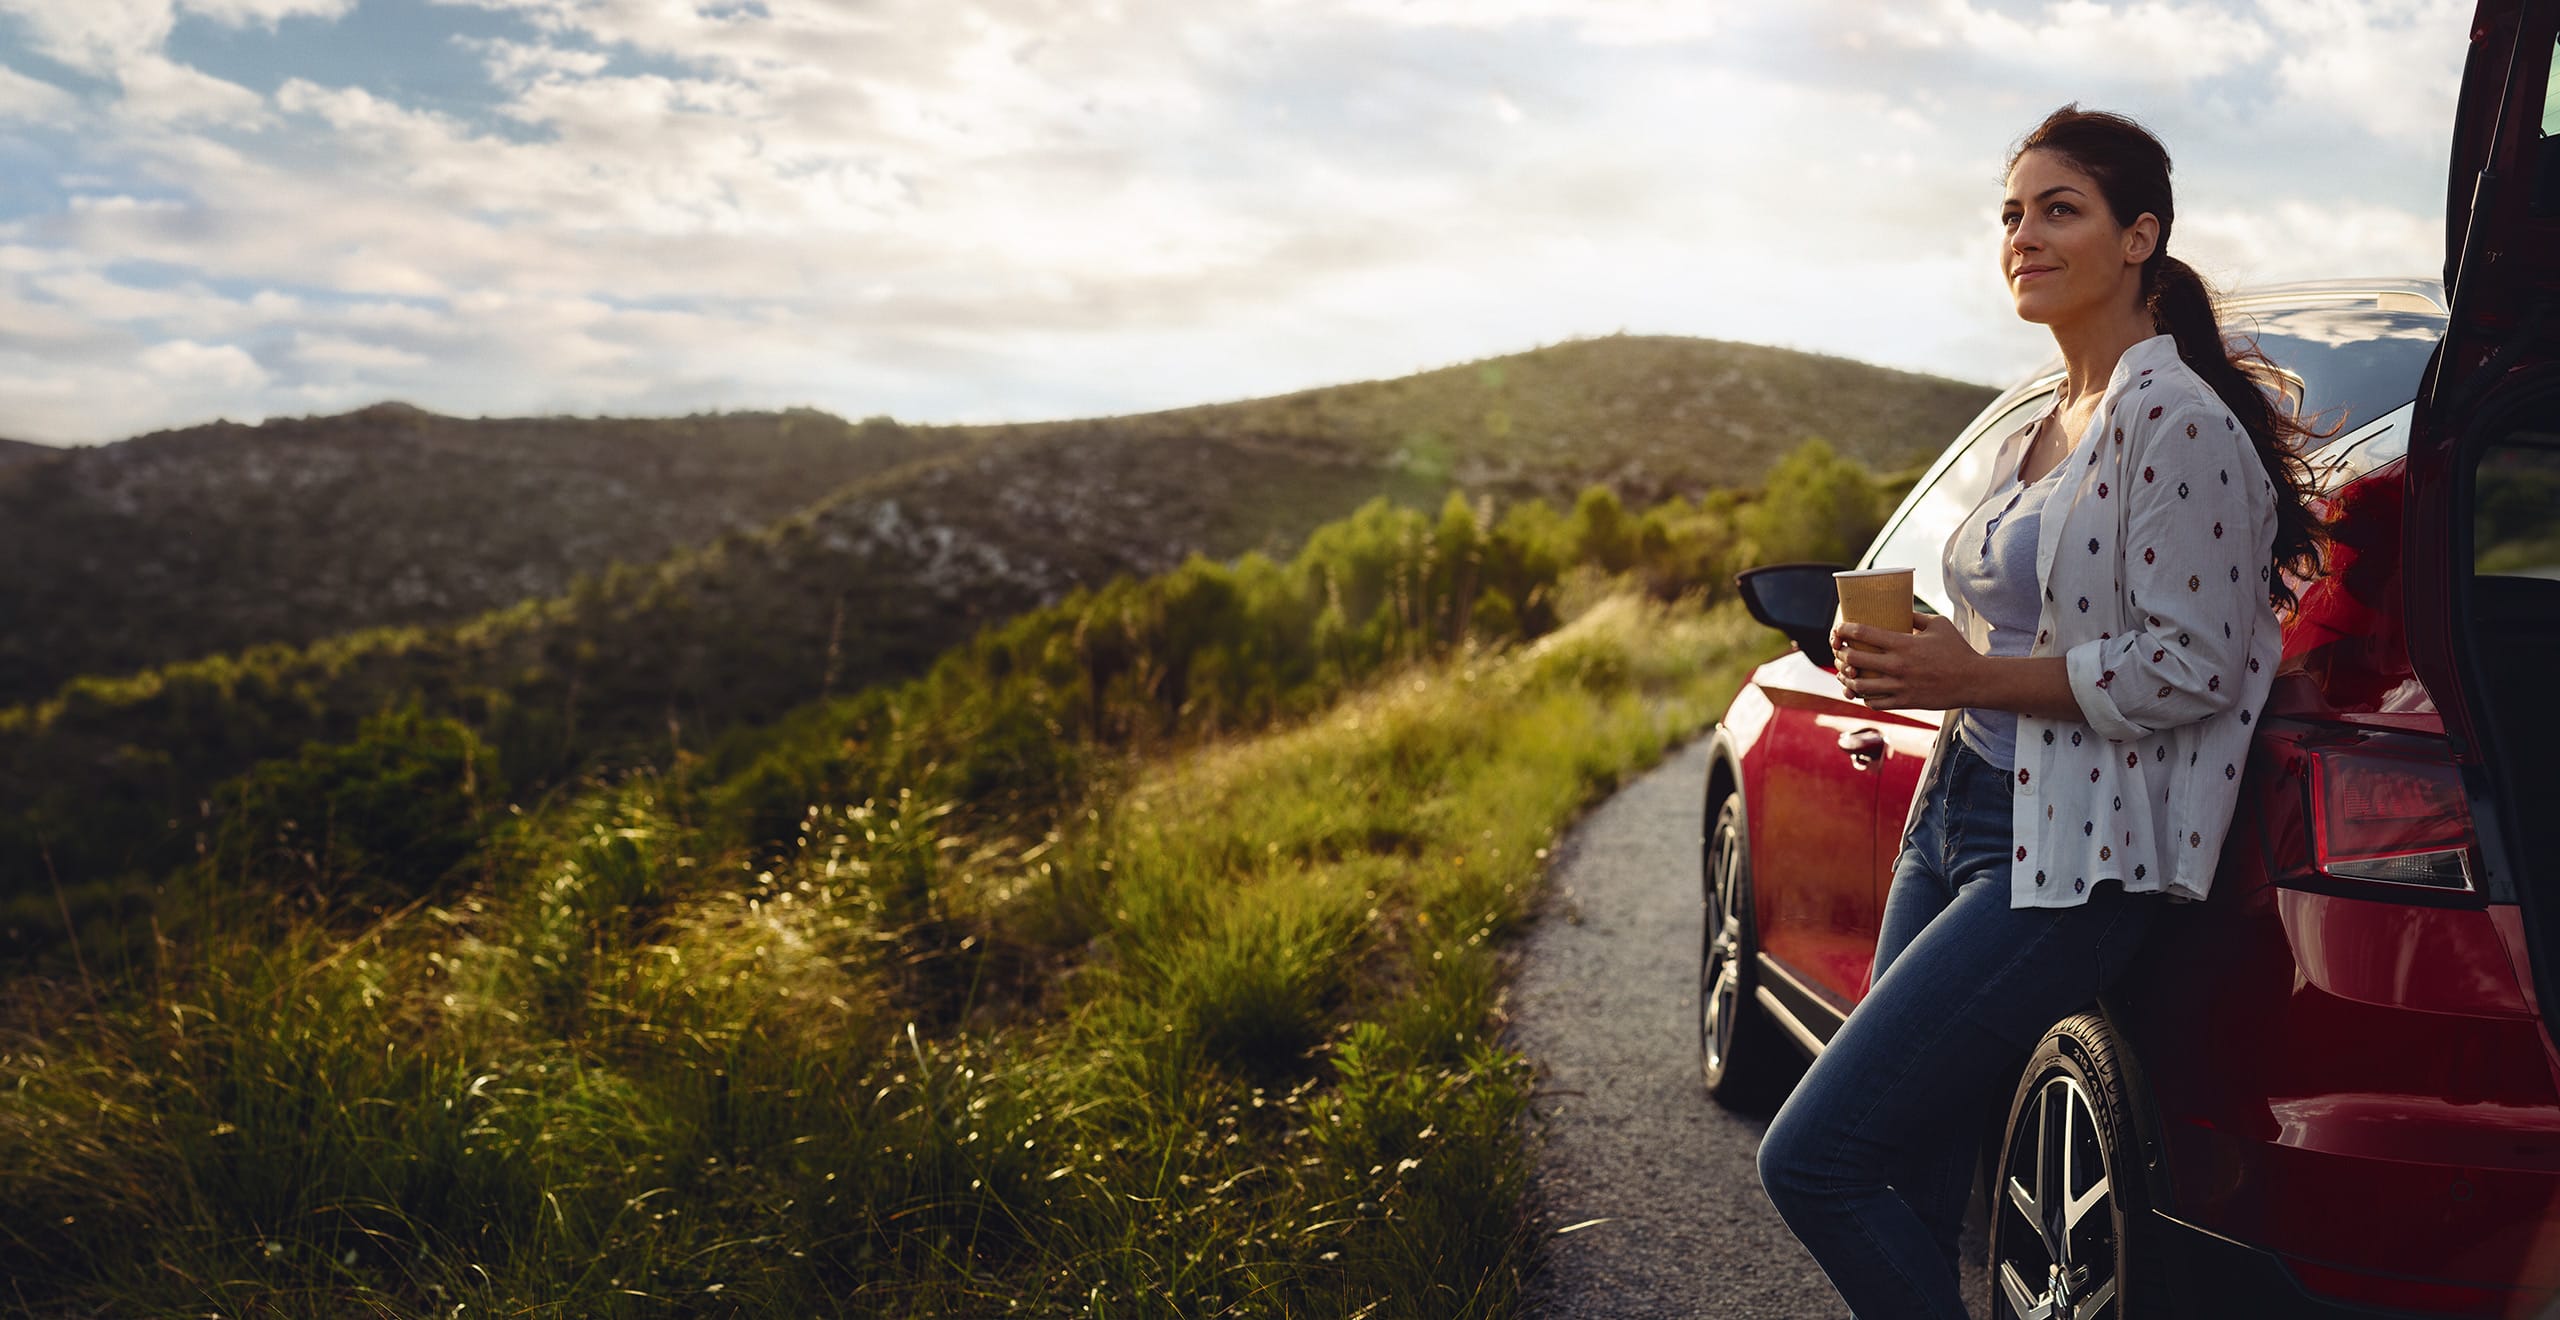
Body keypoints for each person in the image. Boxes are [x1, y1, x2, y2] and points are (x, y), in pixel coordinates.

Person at [1751, 105, 2331, 1318]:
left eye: (2057, 209)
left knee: (1813, 1157)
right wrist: (1932, 659)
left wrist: (1967, 677)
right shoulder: (2042, 422)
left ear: (2139, 237)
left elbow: (2192, 667)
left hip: (2072, 853)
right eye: (2010, 214)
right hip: (1956, 805)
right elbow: (2036, 627)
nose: (2022, 235)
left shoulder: (2178, 421)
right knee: (1904, 1177)